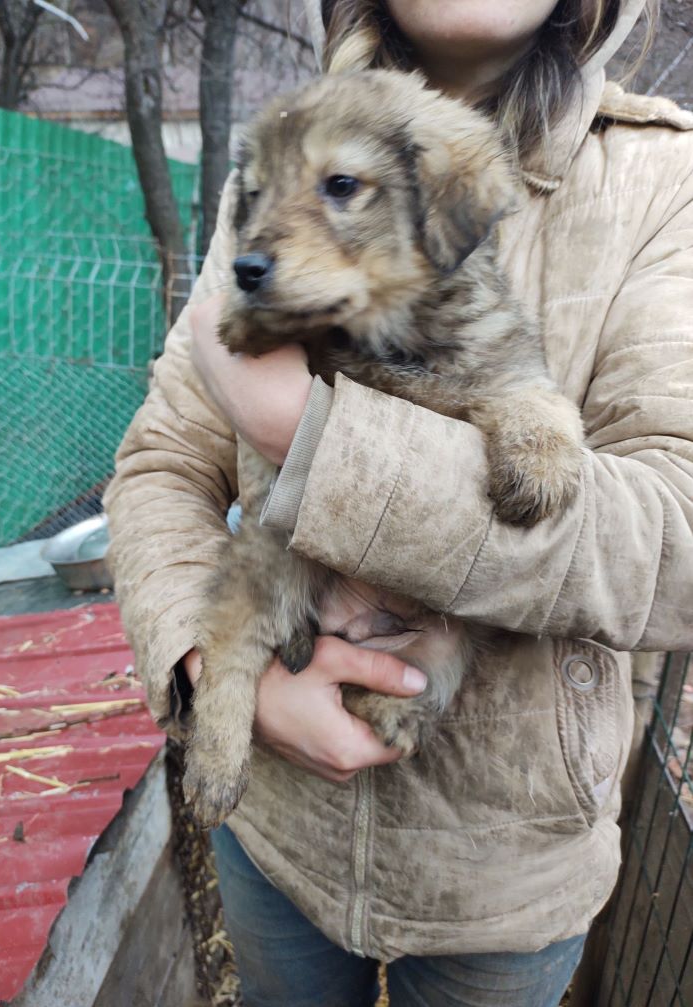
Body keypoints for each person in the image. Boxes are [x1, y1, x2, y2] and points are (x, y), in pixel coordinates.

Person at [103, 1, 693, 1004]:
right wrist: (215, 676)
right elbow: (161, 460)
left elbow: (674, 547)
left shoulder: (660, 180)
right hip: (274, 835)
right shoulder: (284, 143)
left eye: (342, 187)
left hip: (503, 883)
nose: (274, 220)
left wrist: (315, 439)